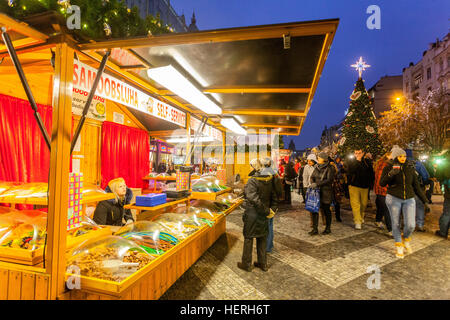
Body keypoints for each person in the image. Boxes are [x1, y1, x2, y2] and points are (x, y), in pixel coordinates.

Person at [380, 147, 429, 259]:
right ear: (396, 156)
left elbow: (416, 186)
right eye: (400, 156)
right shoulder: (389, 167)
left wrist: (425, 201)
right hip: (393, 198)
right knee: (396, 223)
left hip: (409, 198)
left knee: (411, 225)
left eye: (404, 156)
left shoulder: (409, 167)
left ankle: (405, 239)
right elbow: (382, 183)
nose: (403, 158)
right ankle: (399, 245)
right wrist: (391, 174)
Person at [238, 159, 277, 272]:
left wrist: (265, 210)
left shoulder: (252, 180)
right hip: (263, 215)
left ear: (254, 167)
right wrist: (271, 210)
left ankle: (246, 264)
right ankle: (262, 264)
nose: (249, 168)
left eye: (250, 166)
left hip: (253, 214)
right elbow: (274, 196)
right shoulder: (268, 179)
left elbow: (253, 198)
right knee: (262, 238)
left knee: (249, 238)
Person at [346, 149, 375, 230]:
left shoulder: (367, 162)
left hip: (365, 186)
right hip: (353, 185)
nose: (357, 154)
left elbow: (371, 173)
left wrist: (370, 183)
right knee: (355, 204)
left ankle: (361, 216)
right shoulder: (351, 161)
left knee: (363, 203)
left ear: (363, 153)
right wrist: (357, 161)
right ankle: (357, 221)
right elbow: (350, 171)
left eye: (359, 153)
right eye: (356, 153)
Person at [309, 152, 336, 235]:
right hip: (316, 192)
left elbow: (329, 180)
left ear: (324, 159)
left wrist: (317, 184)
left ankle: (328, 228)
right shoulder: (317, 167)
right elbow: (312, 176)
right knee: (314, 210)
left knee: (326, 210)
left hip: (326, 192)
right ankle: (315, 229)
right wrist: (312, 183)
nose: (318, 158)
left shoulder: (330, 168)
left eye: (319, 157)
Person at [261, 158, 283, 254]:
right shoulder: (274, 174)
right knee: (270, 224)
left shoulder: (262, 174)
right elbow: (279, 191)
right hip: (272, 203)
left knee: (266, 225)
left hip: (265, 204)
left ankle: (267, 247)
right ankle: (269, 245)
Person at [405, 149, 430, 232]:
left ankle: (406, 224)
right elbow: (425, 176)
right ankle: (419, 224)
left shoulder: (401, 164)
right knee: (419, 206)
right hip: (418, 188)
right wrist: (425, 183)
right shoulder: (418, 164)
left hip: (406, 188)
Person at [373, 152, 392, 233]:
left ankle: (378, 220)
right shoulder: (384, 165)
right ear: (388, 155)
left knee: (381, 206)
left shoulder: (385, 164)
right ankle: (391, 229)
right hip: (383, 190)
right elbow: (381, 180)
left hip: (381, 191)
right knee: (387, 209)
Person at [435, 151, 449, 239]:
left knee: (447, 212)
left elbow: (438, 176)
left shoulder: (445, 163)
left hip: (449, 190)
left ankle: (443, 232)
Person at [329, 157, 343, 222]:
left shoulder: (334, 169)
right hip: (332, 187)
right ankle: (337, 217)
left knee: (336, 202)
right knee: (334, 202)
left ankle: (337, 216)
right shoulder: (332, 168)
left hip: (334, 187)